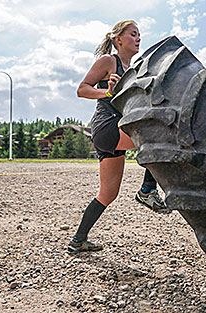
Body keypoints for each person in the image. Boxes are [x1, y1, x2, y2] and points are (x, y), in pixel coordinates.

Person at [68, 20, 169, 255]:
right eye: (133, 34)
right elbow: (82, 89)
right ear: (118, 39)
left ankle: (77, 241)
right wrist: (107, 92)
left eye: (139, 35)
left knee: (107, 194)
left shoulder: (133, 69)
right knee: (156, 138)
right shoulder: (109, 61)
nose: (138, 38)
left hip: (117, 132)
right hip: (107, 126)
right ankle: (147, 189)